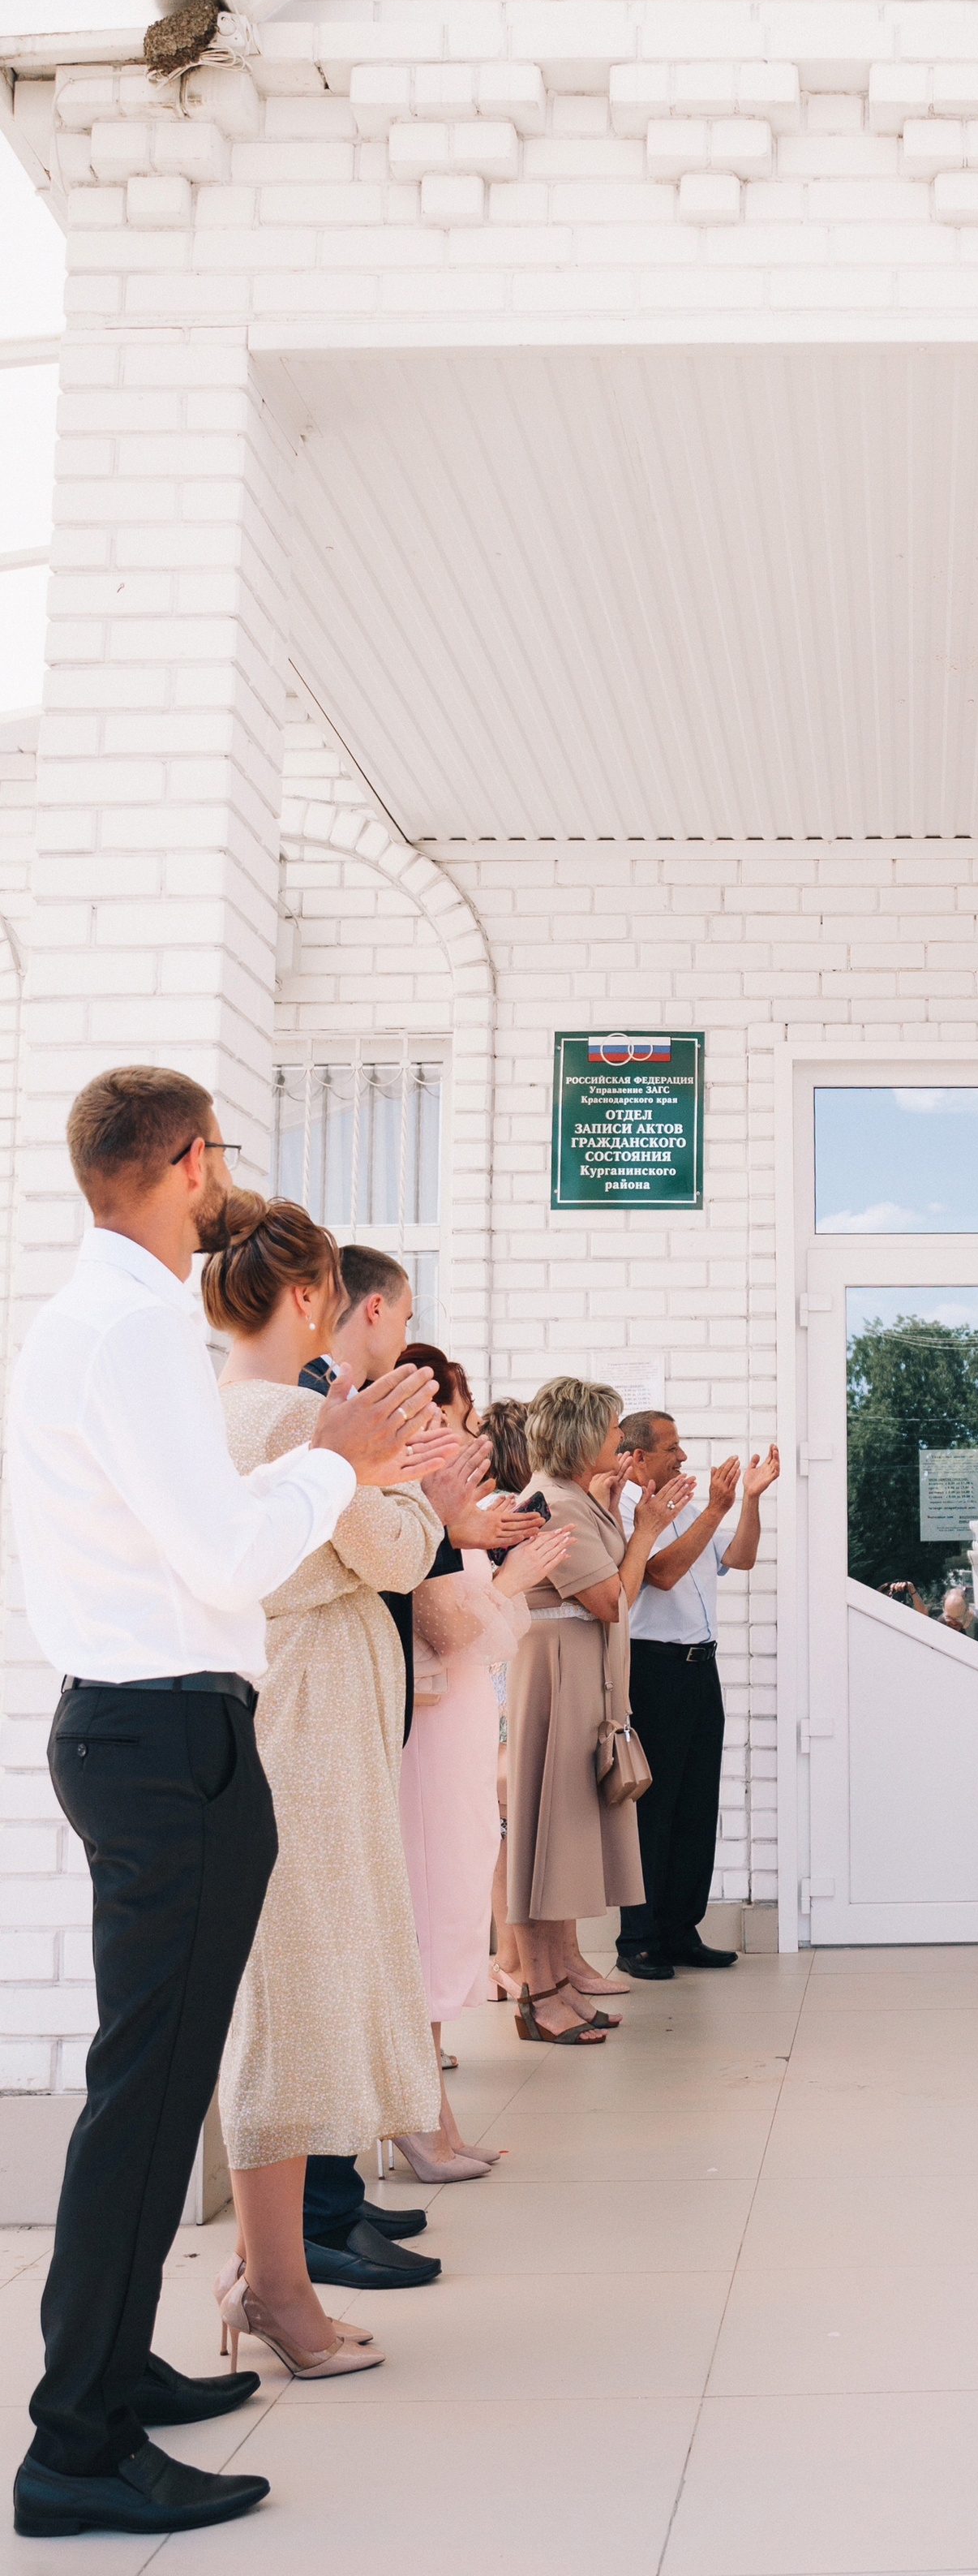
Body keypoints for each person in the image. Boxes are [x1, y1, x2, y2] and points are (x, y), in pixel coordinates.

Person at [6, 1069, 445, 2539]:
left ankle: (112, 2365)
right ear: (194, 1160)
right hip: (165, 1735)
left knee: (149, 2085)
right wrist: (336, 1463)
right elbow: (222, 1556)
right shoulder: (137, 1326)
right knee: (148, 2097)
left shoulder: (86, 1316)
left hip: (128, 1724)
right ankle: (77, 2443)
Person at [209, 1200, 463, 2383]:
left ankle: (270, 2269)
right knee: (296, 1997)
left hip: (276, 1712)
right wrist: (403, 1485)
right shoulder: (293, 1415)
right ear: (311, 1296)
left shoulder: (218, 1407)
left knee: (290, 1986)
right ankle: (276, 2282)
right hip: (304, 1730)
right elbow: (402, 1551)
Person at [295, 1258, 537, 2293]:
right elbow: (403, 1572)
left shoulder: (331, 1416)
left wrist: (450, 1522)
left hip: (373, 1710)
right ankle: (322, 2207)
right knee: (347, 1960)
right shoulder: (304, 1413)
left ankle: (340, 2191)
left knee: (376, 1947)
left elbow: (404, 1555)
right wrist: (450, 1525)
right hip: (331, 1718)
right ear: (367, 1307)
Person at [396, 1345, 568, 2175]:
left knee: (458, 1896)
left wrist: (503, 1570)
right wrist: (509, 1579)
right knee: (431, 1911)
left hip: (460, 1722)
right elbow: (441, 1625)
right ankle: (420, 2119)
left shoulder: (442, 1509)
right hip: (429, 1732)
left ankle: (432, 2113)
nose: (471, 1437)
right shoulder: (415, 1506)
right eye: (458, 1418)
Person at [502, 1378, 693, 2039]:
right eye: (612, 1429)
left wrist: (623, 1520)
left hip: (581, 1674)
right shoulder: (555, 1503)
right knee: (545, 1839)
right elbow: (612, 1599)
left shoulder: (577, 1498)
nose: (620, 1439)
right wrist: (645, 1532)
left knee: (567, 1838)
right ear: (583, 1436)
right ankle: (540, 1995)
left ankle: (559, 1983)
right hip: (557, 1678)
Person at [610, 1413, 779, 1981]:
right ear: (638, 1457)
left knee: (695, 1806)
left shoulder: (686, 1504)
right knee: (652, 1810)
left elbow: (741, 1557)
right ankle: (639, 1939)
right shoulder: (628, 1509)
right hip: (652, 1669)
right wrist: (714, 1510)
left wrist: (748, 1500)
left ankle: (681, 1931)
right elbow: (659, 1574)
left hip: (700, 1668)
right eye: (672, 1447)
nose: (683, 1456)